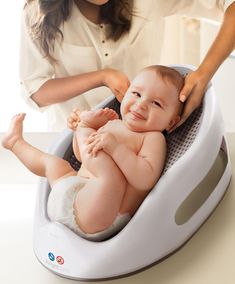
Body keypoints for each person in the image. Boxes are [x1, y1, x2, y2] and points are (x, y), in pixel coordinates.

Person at [2, 65, 183, 241]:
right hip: (72, 193)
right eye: (136, 94)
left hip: (102, 216)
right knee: (54, 164)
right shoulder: (113, 123)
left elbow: (145, 179)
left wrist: (115, 147)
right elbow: (83, 157)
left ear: (171, 122)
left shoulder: (153, 138)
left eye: (157, 103)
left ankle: (84, 127)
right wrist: (77, 136)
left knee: (112, 177)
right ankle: (15, 143)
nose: (141, 104)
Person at [20, 0, 235, 131]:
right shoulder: (38, 13)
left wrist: (204, 73)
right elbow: (35, 90)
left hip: (140, 139)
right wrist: (101, 77)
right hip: (72, 142)